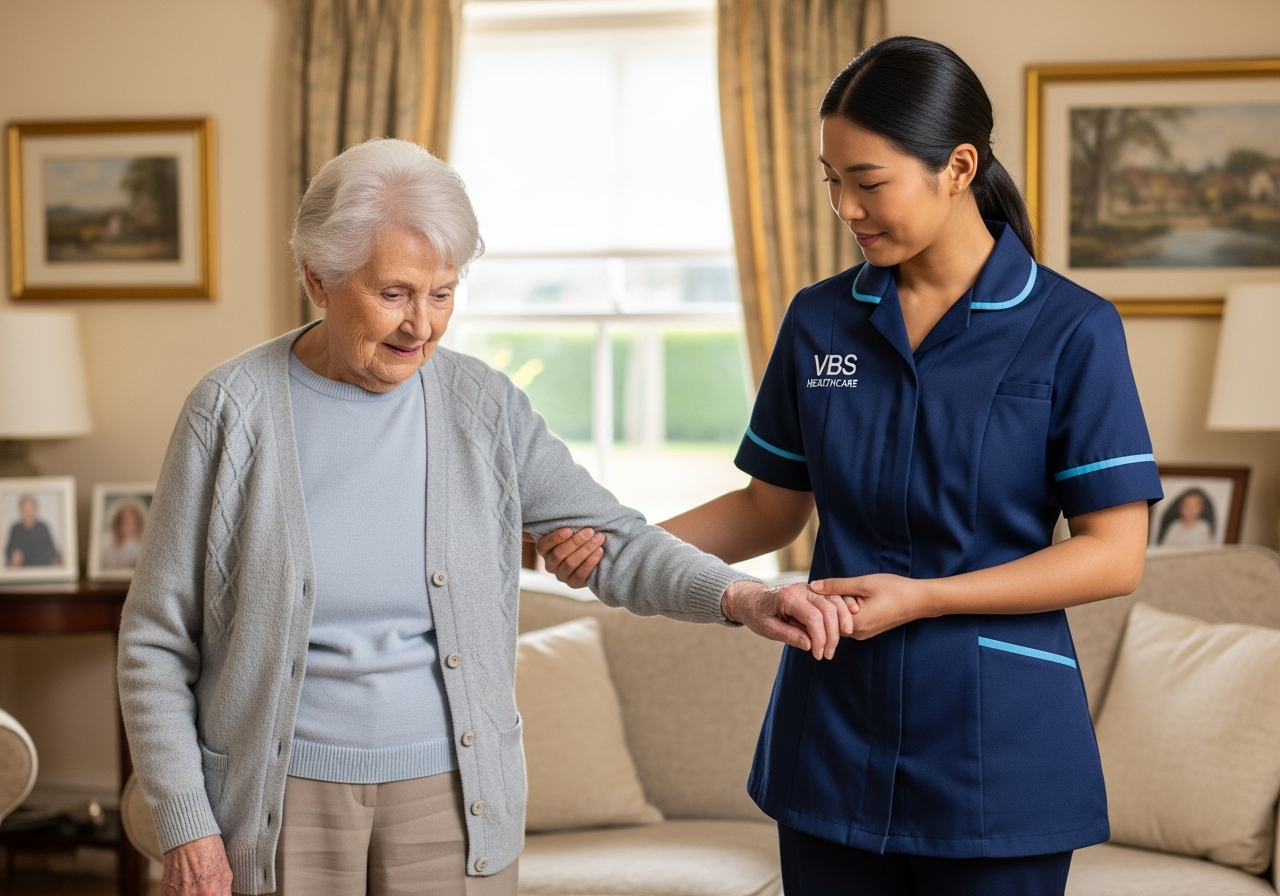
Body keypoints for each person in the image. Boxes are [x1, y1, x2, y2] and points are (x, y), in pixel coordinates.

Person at [117, 138, 852, 896]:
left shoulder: (485, 409)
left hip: (451, 800)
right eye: (394, 294)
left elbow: (619, 544)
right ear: (318, 279)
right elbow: (154, 639)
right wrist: (188, 823)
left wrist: (745, 598)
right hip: (280, 803)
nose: (422, 326)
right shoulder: (231, 412)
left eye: (442, 293)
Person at [538, 36, 1162, 896]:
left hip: (997, 750)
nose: (845, 208)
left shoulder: (1071, 329)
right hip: (832, 738)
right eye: (832, 181)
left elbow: (1114, 554)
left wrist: (929, 597)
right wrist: (617, 542)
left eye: (868, 183)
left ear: (958, 167)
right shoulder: (820, 320)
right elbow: (769, 508)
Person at [5, 495, 60, 567]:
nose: (28, 514)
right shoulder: (15, 529)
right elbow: (9, 554)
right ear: (20, 511)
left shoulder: (43, 528)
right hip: (21, 573)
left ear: (36, 510)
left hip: (42, 570)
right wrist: (13, 560)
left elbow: (53, 554)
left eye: (30, 510)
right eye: (25, 510)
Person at [101, 499, 147, 571]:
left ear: (137, 525)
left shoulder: (138, 548)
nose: (126, 526)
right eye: (124, 521)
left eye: (131, 522)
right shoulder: (106, 540)